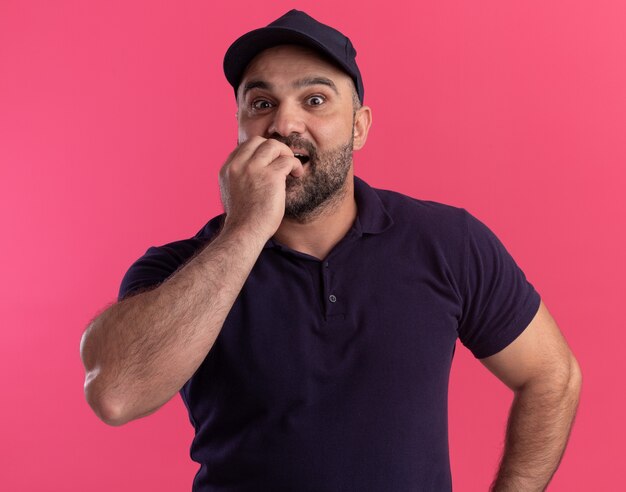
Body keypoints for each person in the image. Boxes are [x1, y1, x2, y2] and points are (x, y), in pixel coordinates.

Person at [80, 10, 582, 491]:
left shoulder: (448, 243)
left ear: (359, 127)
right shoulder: (177, 270)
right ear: (238, 125)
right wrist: (245, 231)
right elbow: (116, 395)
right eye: (261, 104)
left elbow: (551, 376)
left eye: (315, 101)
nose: (284, 124)